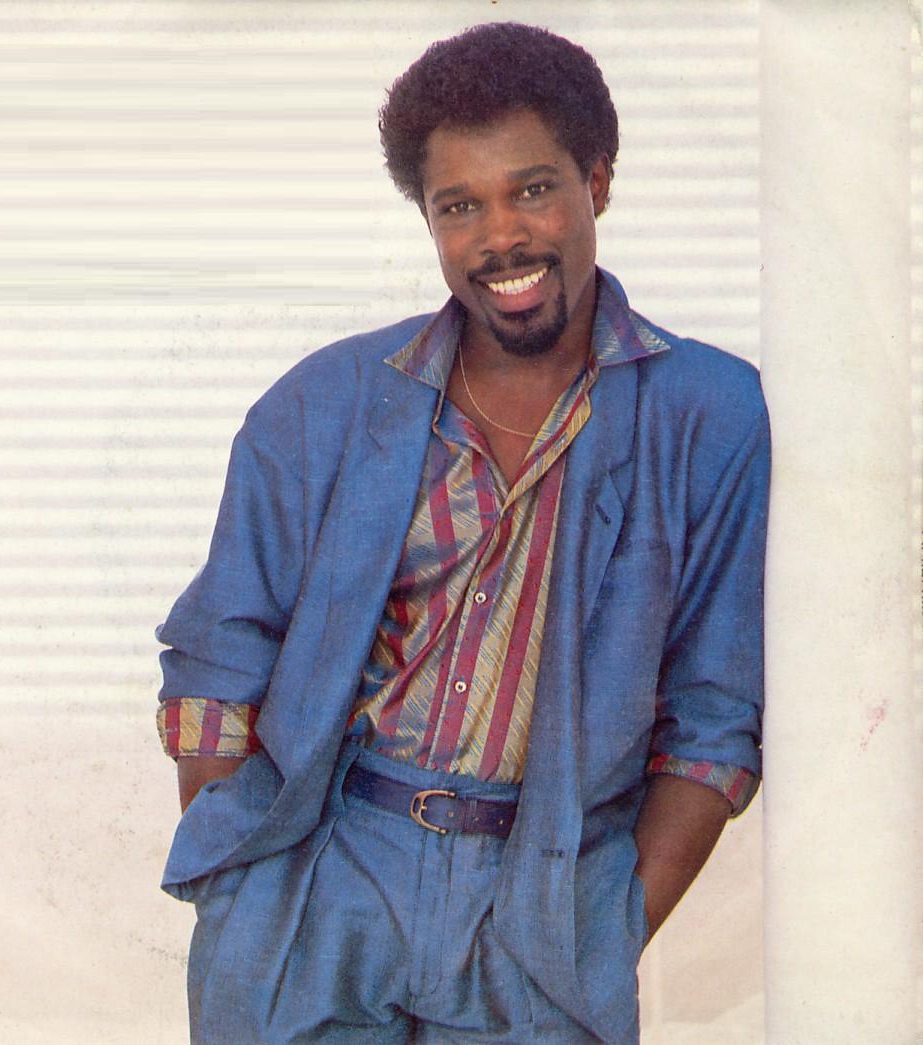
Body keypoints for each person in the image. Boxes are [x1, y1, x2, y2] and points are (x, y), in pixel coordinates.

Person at [155, 22, 769, 1045]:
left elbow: (712, 715)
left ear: (596, 182)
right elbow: (218, 661)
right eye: (459, 206)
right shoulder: (322, 403)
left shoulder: (709, 414)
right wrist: (244, 888)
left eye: (531, 189)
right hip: (321, 884)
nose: (500, 237)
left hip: (543, 901)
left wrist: (605, 930)